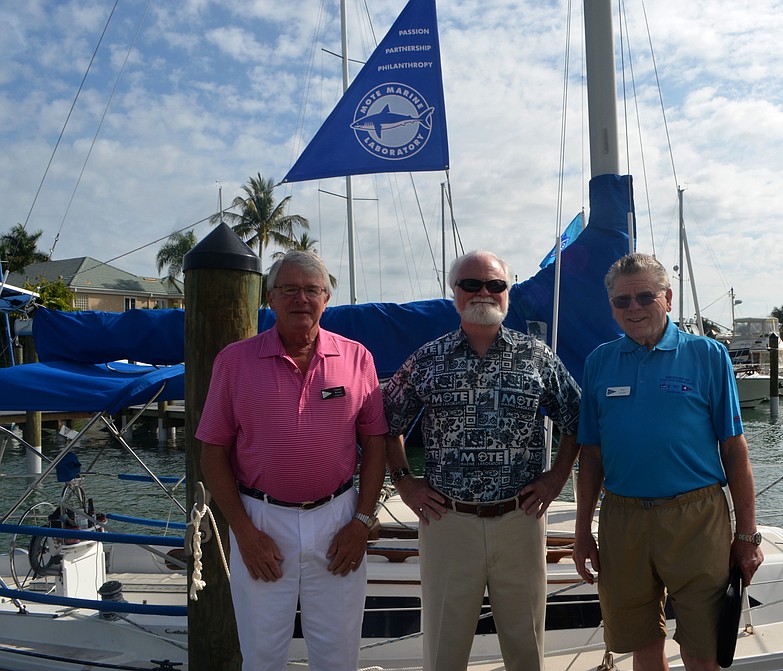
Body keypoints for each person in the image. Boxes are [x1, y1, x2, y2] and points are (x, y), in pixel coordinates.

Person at [382, 250, 582, 671]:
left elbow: (577, 419)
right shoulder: (427, 359)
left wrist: (556, 478)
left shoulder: (537, 357)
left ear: (508, 292)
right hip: (447, 522)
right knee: (443, 652)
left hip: (520, 520)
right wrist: (405, 481)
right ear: (454, 292)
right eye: (471, 284)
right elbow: (385, 423)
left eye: (495, 285)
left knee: (526, 649)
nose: (484, 293)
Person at [196, 250, 387, 671]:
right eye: (289, 289)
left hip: (339, 519)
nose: (301, 298)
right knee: (262, 657)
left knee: (338, 658)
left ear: (326, 298)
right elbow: (212, 452)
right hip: (260, 518)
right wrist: (243, 531)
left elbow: (376, 442)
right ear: (270, 297)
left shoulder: (358, 359)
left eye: (311, 290)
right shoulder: (233, 361)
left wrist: (362, 521)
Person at [573, 252, 764, 671]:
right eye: (622, 301)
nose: (634, 308)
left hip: (696, 518)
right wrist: (582, 529)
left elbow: (735, 451)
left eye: (645, 296)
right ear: (612, 307)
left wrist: (747, 535)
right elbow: (591, 456)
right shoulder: (599, 362)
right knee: (641, 642)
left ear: (668, 298)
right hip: (622, 518)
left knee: (703, 645)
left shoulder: (709, 355)